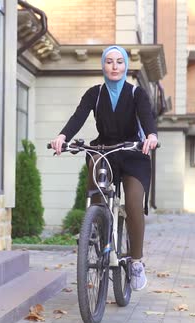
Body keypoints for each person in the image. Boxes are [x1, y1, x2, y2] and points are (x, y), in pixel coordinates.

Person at [50, 45, 158, 291]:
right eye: (109, 62)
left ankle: (136, 261)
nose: (114, 66)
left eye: (119, 62)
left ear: (126, 66)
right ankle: (96, 227)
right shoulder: (94, 94)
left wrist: (151, 135)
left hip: (133, 152)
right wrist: (63, 136)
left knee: (132, 202)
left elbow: (147, 117)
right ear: (103, 66)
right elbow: (79, 116)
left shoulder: (136, 94)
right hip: (105, 151)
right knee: (95, 190)